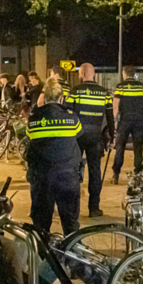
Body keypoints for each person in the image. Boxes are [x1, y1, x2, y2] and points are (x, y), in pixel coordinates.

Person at [26, 77, 82, 234]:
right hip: (67, 176)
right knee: (70, 222)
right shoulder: (71, 118)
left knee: (41, 223)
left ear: (44, 98)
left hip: (42, 177)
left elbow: (30, 136)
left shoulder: (34, 118)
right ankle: (71, 255)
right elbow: (79, 133)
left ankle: (43, 255)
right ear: (61, 98)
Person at [66, 62, 115, 217]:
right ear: (93, 74)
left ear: (82, 73)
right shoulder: (104, 93)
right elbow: (110, 117)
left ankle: (73, 208)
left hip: (77, 137)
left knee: (74, 171)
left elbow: (68, 114)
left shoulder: (75, 91)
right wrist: (113, 136)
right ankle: (94, 208)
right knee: (95, 172)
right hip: (96, 137)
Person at [111, 65, 143, 185]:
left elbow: (115, 107)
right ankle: (138, 175)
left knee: (120, 147)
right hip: (139, 121)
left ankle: (116, 174)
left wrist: (113, 122)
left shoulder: (120, 87)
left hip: (124, 121)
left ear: (124, 73)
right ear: (134, 74)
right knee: (138, 149)